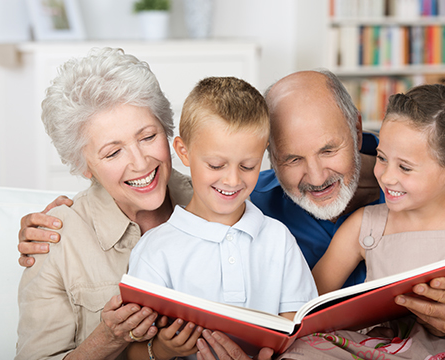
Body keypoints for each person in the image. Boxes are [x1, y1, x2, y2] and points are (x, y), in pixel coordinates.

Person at [17, 70, 445, 359]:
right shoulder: (243, 197)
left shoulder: (437, 186)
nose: (313, 175)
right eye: (290, 157)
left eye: (330, 150)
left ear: (358, 132)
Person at [14, 48, 274, 360]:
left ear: (168, 132)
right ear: (85, 166)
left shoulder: (223, 195)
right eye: (113, 153)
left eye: (148, 137)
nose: (140, 163)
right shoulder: (55, 240)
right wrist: (107, 339)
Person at [289, 84, 445, 359]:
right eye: (382, 158)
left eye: (405, 167)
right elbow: (310, 299)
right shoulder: (365, 225)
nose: (386, 177)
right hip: (387, 349)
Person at [125, 76, 317, 359]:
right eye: (216, 165)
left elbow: (301, 332)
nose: (232, 179)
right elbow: (133, 353)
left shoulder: (278, 239)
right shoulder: (155, 250)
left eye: (248, 166)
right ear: (183, 152)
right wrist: (165, 349)